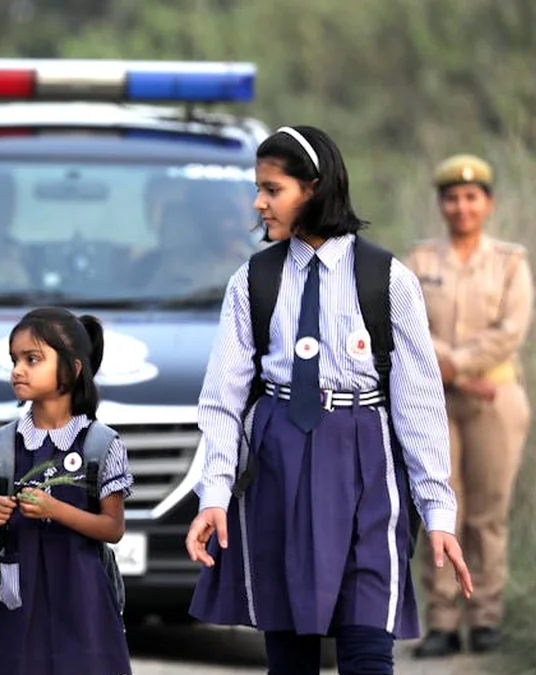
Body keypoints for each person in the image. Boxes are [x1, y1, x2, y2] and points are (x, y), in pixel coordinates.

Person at [183, 125, 474, 675]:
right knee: (290, 652)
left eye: (272, 189)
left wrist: (438, 510)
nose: (259, 202)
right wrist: (214, 494)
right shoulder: (253, 281)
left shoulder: (387, 280)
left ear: (313, 189)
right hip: (279, 466)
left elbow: (419, 403)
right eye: (259, 189)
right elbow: (222, 400)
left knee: (368, 646)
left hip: (365, 464)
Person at [0, 307, 135, 675]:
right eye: (15, 360)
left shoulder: (101, 445)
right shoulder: (0, 446)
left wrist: (56, 509)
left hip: (85, 608)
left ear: (73, 369)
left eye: (32, 359)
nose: (18, 370)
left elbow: (113, 528)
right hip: (16, 608)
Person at [407, 154, 534, 657]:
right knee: (439, 507)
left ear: (488, 204)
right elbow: (409, 323)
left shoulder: (510, 262)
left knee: (487, 512)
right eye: (452, 198)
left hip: (494, 400)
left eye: (471, 198)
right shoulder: (419, 262)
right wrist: (454, 372)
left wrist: (455, 363)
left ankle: (484, 617)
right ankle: (441, 621)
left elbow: (510, 331)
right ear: (441, 204)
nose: (462, 207)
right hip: (434, 401)